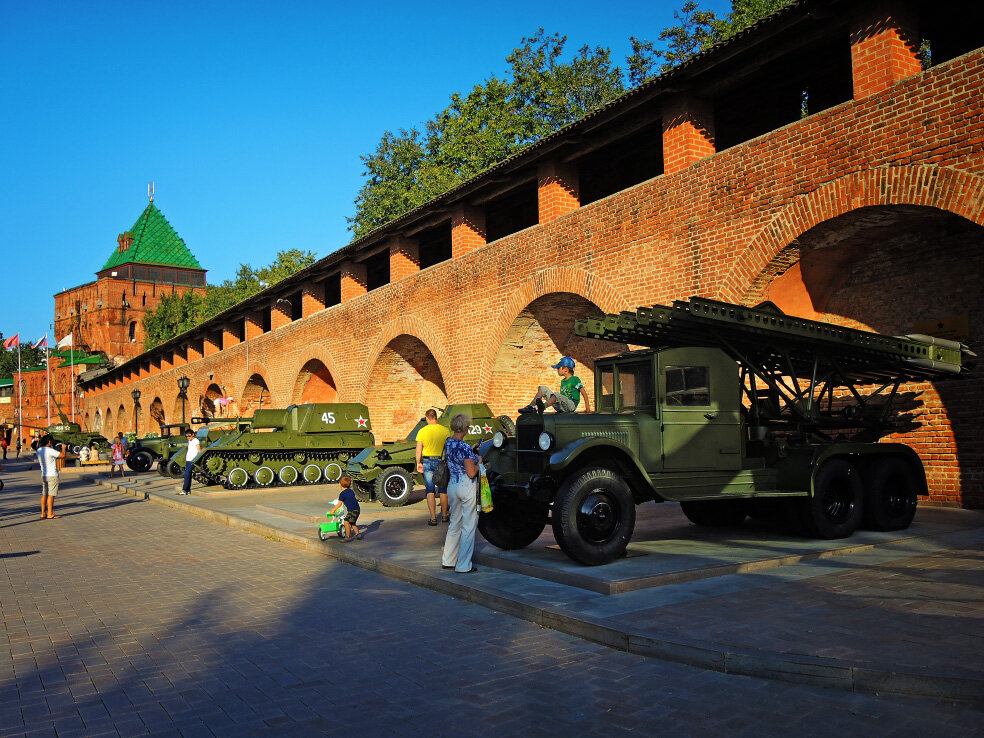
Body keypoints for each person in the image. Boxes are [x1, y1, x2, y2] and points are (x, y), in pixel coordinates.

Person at [441, 413, 482, 574]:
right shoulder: (465, 447)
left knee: (454, 524)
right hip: (466, 486)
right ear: (465, 428)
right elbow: (471, 473)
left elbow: (456, 456)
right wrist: (478, 462)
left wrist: (471, 452)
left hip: (452, 485)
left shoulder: (448, 443)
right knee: (469, 526)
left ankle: (448, 560)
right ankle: (464, 565)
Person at [519, 356, 591, 415]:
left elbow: (584, 393)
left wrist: (587, 407)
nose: (557, 370)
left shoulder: (575, 379)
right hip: (562, 405)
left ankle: (543, 406)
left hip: (571, 405)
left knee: (556, 395)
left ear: (565, 369)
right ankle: (531, 406)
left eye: (558, 368)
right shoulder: (563, 381)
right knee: (543, 388)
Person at [415, 409, 452, 526]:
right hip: (441, 461)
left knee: (430, 489)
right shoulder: (445, 431)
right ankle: (445, 516)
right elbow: (449, 448)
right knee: (442, 488)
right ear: (436, 417)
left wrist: (418, 463)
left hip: (427, 461)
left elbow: (418, 450)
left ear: (427, 418)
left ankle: (433, 518)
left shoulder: (422, 431)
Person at [36, 434, 65, 519]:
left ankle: (42, 513)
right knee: (51, 495)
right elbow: (63, 455)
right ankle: (50, 513)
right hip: (52, 474)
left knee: (44, 493)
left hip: (44, 474)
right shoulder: (50, 450)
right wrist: (63, 447)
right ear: (49, 442)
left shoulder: (39, 450)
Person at [328, 475, 363, 541]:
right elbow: (354, 498)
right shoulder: (351, 491)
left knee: (346, 522)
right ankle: (358, 534)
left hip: (352, 510)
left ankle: (347, 537)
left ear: (340, 484)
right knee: (352, 522)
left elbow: (339, 504)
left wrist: (333, 510)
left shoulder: (342, 494)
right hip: (357, 509)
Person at [180, 428, 200, 495]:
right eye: (186, 436)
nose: (188, 437)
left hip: (192, 460)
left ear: (193, 435)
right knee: (188, 475)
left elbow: (199, 450)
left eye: (189, 436)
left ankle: (184, 490)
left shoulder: (196, 441)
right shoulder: (190, 441)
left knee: (186, 475)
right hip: (188, 460)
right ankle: (188, 490)